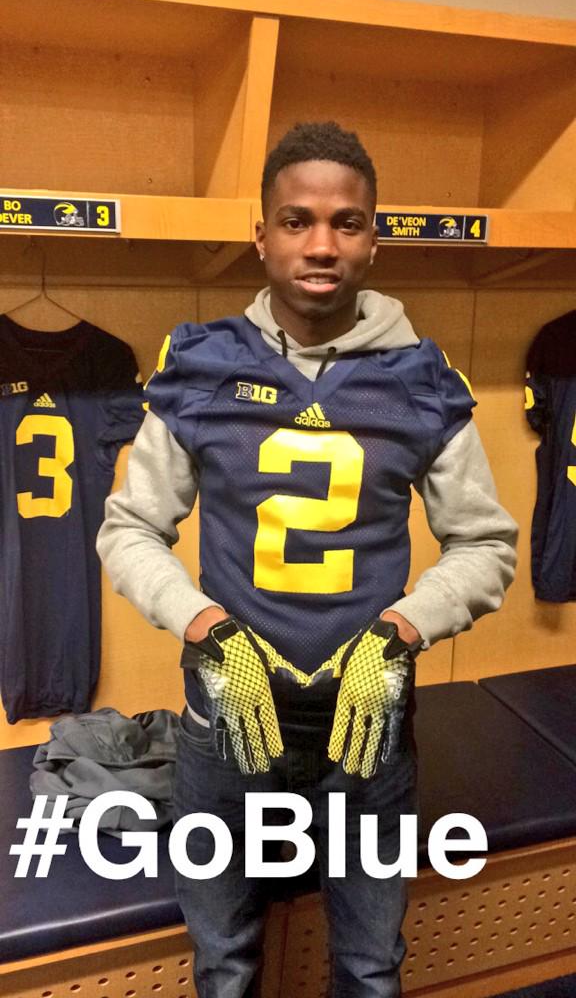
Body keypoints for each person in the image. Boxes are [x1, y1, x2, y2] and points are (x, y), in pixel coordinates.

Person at [97, 121, 517, 998]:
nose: (321, 245)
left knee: (369, 968)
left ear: (374, 238)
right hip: (226, 719)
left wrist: (400, 632)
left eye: (346, 222)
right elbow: (129, 528)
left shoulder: (423, 380)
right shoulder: (201, 366)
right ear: (261, 235)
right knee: (225, 965)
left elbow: (485, 543)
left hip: (367, 724)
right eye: (297, 221)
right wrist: (206, 627)